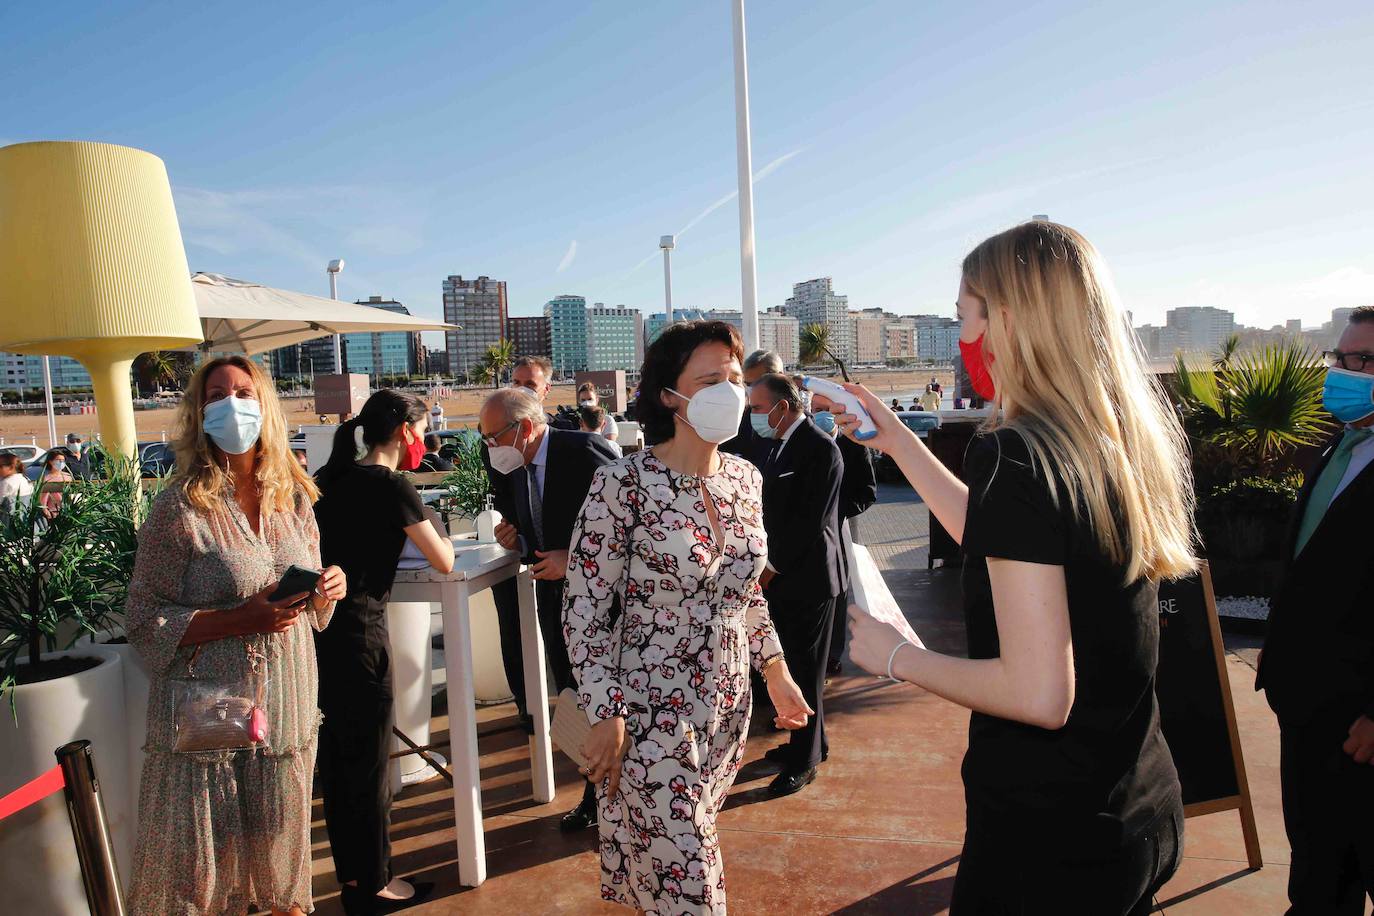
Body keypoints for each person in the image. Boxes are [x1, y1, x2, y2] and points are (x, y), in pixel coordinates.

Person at [840, 222, 1194, 914]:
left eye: (962, 315)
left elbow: (1039, 697)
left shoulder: (1014, 455)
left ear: (1007, 319)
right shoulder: (1100, 438)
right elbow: (1013, 541)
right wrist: (902, 442)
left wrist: (897, 658)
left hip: (1051, 842)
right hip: (1137, 806)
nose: (962, 334)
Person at [564, 320, 812, 914]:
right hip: (648, 710)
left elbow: (746, 592)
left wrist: (775, 671)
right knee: (693, 883)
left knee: (673, 872)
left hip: (728, 707)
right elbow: (584, 609)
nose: (728, 390)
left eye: (732, 377)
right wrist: (606, 710)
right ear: (669, 396)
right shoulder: (622, 483)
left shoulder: (746, 480)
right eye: (709, 381)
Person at [125, 355, 347, 915]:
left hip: (288, 705)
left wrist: (327, 588)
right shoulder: (178, 507)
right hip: (211, 712)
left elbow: (314, 607)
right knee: (202, 872)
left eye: (244, 392)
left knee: (280, 857)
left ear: (264, 405)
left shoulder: (294, 498)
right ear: (199, 413)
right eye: (216, 394)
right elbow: (141, 618)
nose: (231, 404)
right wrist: (237, 620)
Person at [313, 390, 455, 915]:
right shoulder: (392, 484)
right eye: (422, 428)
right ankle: (375, 885)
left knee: (338, 766)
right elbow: (442, 559)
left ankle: (352, 878)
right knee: (370, 767)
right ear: (405, 432)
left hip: (320, 636)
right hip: (363, 638)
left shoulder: (328, 480)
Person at [1257, 306, 1374, 913]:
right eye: (1341, 358)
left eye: (1362, 361)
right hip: (1307, 709)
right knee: (1319, 875)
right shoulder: (1340, 446)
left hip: (1362, 725)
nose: (1344, 373)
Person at [478, 387, 620, 831]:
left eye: (493, 437)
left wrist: (571, 559)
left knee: (608, 702)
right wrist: (514, 537)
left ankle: (612, 799)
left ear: (523, 428)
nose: (489, 448)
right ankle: (597, 793)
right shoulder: (510, 464)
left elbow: (629, 523)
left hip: (606, 604)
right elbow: (527, 527)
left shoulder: (584, 450)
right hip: (555, 601)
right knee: (575, 698)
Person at [748, 373, 847, 797]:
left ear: (782, 407)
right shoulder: (779, 445)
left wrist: (770, 568)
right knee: (793, 662)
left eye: (757, 408)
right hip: (784, 580)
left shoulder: (820, 450)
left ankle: (803, 762)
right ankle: (811, 744)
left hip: (808, 580)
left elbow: (810, 522)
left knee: (806, 672)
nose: (753, 416)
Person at [808, 395, 878, 678]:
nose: (821, 416)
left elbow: (868, 492)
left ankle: (831, 656)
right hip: (802, 538)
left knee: (836, 594)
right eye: (815, 411)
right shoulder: (801, 443)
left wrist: (837, 513)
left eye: (827, 411)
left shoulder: (853, 444)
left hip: (837, 534)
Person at [720, 348, 783, 463]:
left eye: (758, 382)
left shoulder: (799, 425)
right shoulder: (741, 417)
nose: (753, 389)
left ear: (780, 377)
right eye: (749, 384)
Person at [510, 354, 578, 430]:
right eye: (516, 383)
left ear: (546, 389)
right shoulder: (499, 427)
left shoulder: (563, 430)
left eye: (530, 384)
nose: (522, 389)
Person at [37, 449, 73, 518]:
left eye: (63, 460)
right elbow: (43, 500)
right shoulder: (46, 479)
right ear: (50, 461)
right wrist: (46, 512)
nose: (61, 462)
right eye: (58, 460)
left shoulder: (68, 476)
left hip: (68, 511)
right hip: (53, 513)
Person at [0, 452, 34, 520]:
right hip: (24, 519)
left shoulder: (6, 483)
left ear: (11, 467)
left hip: (8, 522)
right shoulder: (25, 479)